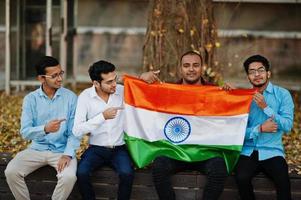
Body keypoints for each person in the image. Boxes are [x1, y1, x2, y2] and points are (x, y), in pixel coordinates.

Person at [140, 51, 228, 200]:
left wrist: (229, 97)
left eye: (195, 65)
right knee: (159, 164)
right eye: (186, 66)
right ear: (180, 69)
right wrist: (141, 80)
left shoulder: (215, 91)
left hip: (204, 152)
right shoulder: (169, 91)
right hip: (176, 151)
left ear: (202, 68)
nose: (191, 69)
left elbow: (228, 119)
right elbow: (143, 98)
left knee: (219, 167)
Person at [4, 56, 80, 200]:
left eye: (60, 73)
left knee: (69, 177)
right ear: (41, 78)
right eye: (54, 75)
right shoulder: (30, 99)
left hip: (61, 150)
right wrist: (45, 128)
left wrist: (67, 154)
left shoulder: (71, 98)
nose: (59, 79)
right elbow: (25, 132)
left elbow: (74, 132)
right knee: (11, 171)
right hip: (36, 149)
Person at [234, 55, 294, 200]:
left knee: (283, 180)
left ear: (268, 73)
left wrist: (265, 108)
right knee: (241, 177)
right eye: (252, 71)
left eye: (260, 70)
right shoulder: (244, 97)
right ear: (248, 76)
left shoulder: (283, 94)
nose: (257, 75)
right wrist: (259, 128)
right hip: (248, 151)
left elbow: (287, 125)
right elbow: (237, 131)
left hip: (272, 151)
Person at [73, 60, 134, 200]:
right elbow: (77, 130)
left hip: (119, 148)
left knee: (127, 173)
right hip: (96, 149)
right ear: (96, 83)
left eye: (115, 79)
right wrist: (102, 117)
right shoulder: (85, 97)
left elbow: (142, 91)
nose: (114, 84)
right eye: (109, 82)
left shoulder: (122, 91)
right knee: (81, 173)